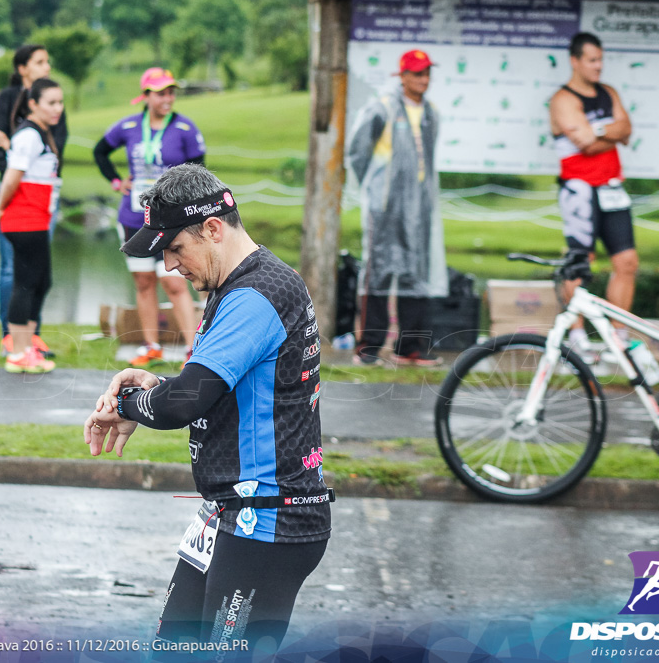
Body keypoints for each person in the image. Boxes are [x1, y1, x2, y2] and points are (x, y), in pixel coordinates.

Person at [82, 164, 331, 656]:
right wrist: (157, 388)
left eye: (175, 249)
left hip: (269, 520)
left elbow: (186, 402)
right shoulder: (241, 285)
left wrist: (137, 401)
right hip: (228, 513)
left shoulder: (256, 295)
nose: (170, 266)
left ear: (213, 229)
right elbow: (211, 391)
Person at [93, 67, 204, 367]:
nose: (168, 98)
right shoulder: (129, 125)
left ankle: (193, 351)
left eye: (171, 91)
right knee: (143, 281)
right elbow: (100, 152)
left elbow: (200, 172)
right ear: (146, 96)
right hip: (134, 217)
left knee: (175, 284)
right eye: (161, 92)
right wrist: (117, 182)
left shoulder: (184, 128)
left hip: (171, 219)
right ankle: (151, 345)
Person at [346, 48, 447, 367]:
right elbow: (357, 152)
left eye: (427, 73)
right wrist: (376, 192)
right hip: (385, 207)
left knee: (416, 273)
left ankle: (410, 348)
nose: (423, 79)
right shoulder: (383, 108)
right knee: (379, 271)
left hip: (421, 209)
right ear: (402, 76)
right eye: (417, 73)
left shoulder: (431, 112)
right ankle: (370, 347)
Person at [0, 44, 67, 359]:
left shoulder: (39, 131)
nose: (58, 108)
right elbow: (14, 173)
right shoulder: (27, 129)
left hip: (39, 211)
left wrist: (12, 146)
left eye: (60, 103)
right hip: (23, 213)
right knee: (21, 278)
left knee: (39, 280)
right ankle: (16, 347)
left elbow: (30, 156)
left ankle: (27, 344)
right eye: (52, 103)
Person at [549, 32, 636, 351]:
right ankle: (575, 335)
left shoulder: (608, 92)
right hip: (579, 190)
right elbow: (582, 143)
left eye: (601, 59)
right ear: (575, 61)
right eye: (592, 60)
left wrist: (597, 130)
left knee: (627, 261)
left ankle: (618, 335)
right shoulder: (563, 99)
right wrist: (608, 132)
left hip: (612, 188)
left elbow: (626, 128)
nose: (599, 66)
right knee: (580, 262)